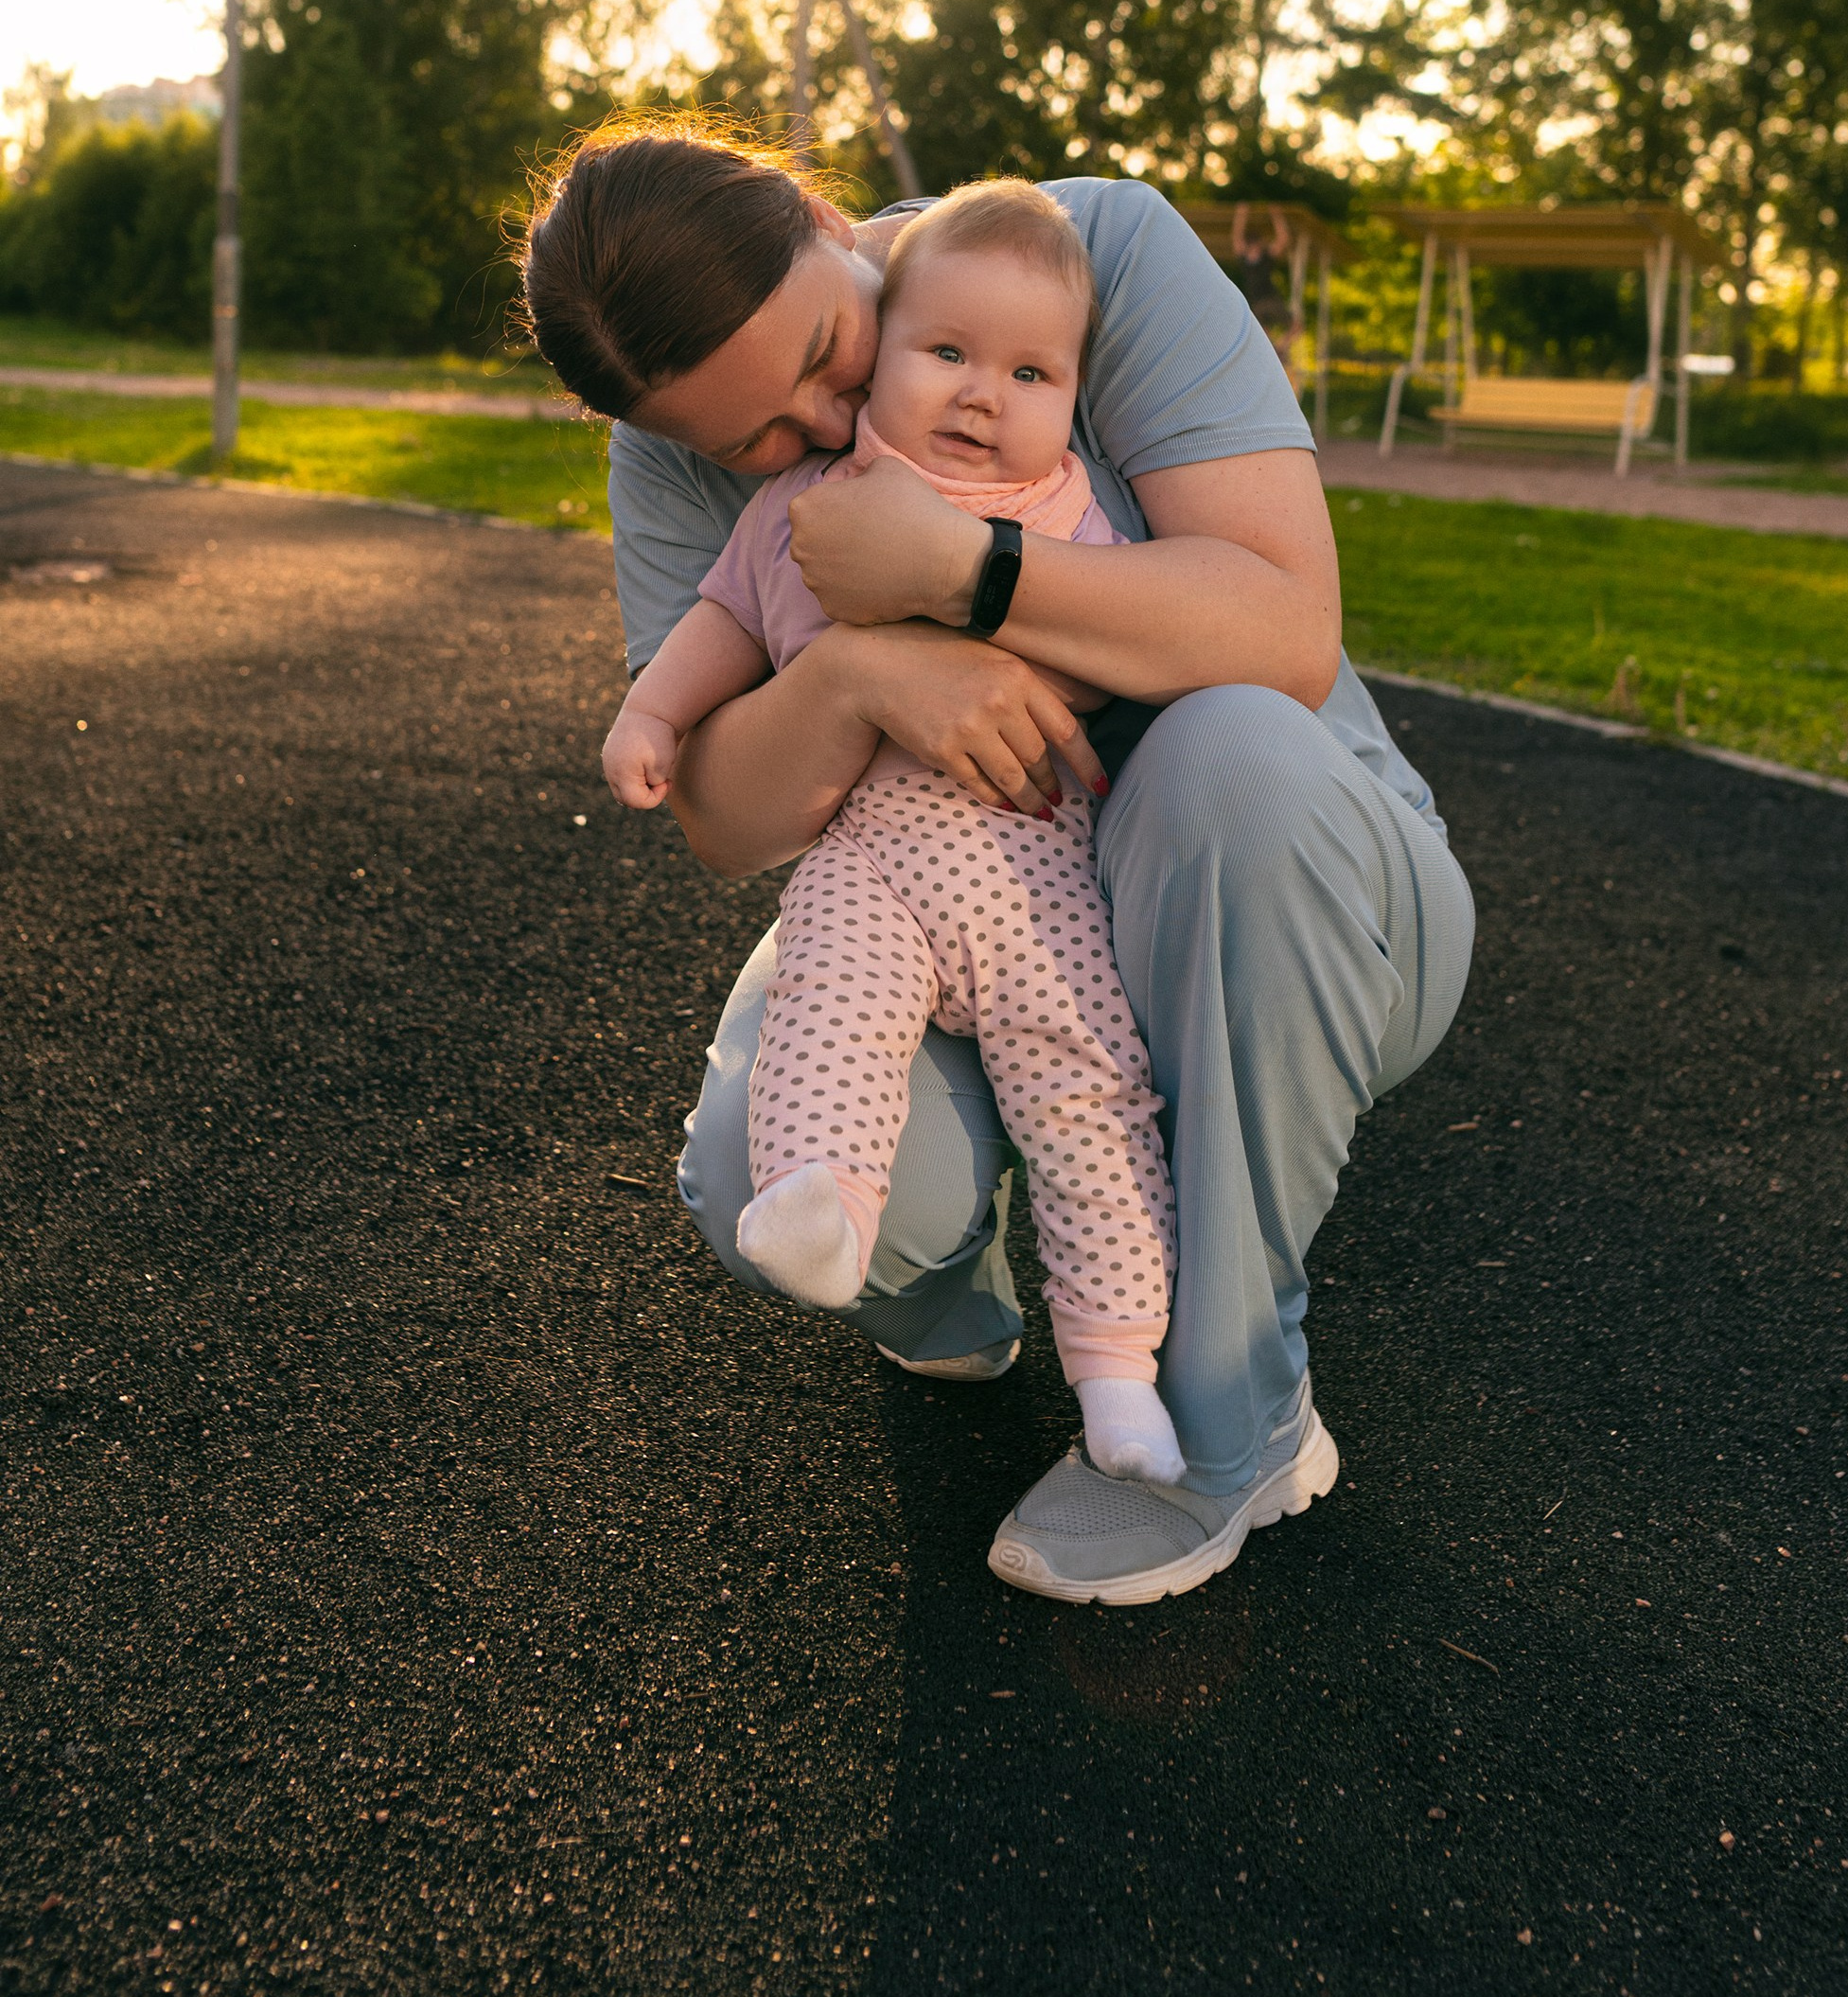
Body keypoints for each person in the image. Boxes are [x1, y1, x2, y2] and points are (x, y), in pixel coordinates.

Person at [522, 117, 1475, 1606]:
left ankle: (1232, 1417)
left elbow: (1285, 633)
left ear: (824, 216)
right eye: (750, 442)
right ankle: (945, 1293)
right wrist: (860, 677)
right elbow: (720, 816)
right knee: (754, 1174)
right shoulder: (666, 450)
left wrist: (967, 573)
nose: (823, 425)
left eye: (827, 353)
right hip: (956, 911)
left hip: (1289, 905)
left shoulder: (1093, 255)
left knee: (1225, 752)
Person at [598, 181, 1182, 1483]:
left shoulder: (1059, 506)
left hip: (1036, 872)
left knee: (1086, 1094)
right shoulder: (805, 503)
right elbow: (724, 622)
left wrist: (975, 592)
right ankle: (832, 1205)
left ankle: (1118, 1368)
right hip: (868, 865)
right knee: (832, 1011)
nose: (980, 397)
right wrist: (651, 713)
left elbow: (1120, 649)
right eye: (946, 355)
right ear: (907, 334)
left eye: (1029, 375)